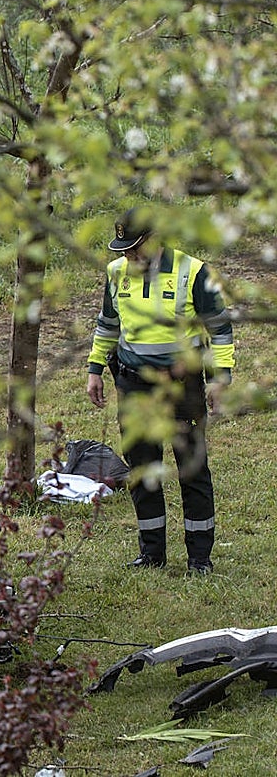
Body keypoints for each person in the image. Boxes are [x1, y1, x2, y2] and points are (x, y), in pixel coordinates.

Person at [85, 210, 234, 575]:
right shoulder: (116, 272)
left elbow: (220, 329)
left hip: (182, 387)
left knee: (192, 470)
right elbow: (108, 324)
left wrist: (220, 377)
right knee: (142, 468)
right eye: (123, 250)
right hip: (133, 385)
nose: (128, 257)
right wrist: (94, 369)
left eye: (134, 249)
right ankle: (152, 553)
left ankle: (199, 557)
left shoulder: (194, 271)